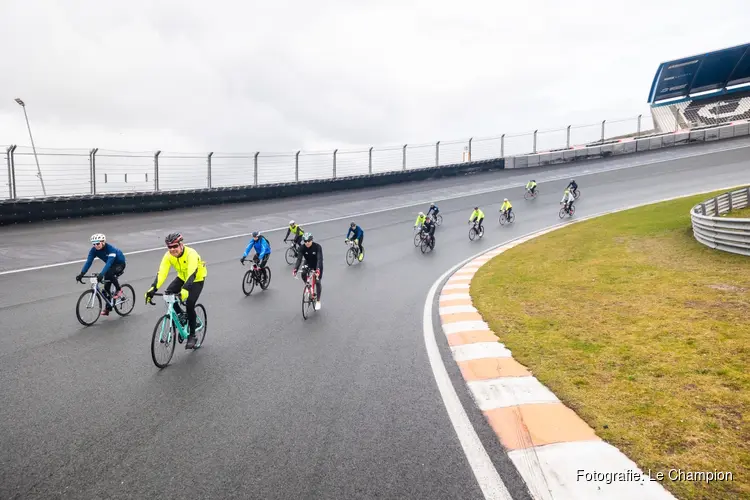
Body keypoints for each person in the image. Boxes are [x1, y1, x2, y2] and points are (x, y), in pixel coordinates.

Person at [145, 233, 207, 349]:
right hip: (182, 277)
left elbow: (192, 272)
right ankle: (181, 314)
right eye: (170, 247)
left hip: (196, 278)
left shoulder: (191, 254)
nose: (172, 249)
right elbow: (162, 273)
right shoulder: (168, 256)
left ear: (181, 245)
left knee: (189, 304)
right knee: (168, 294)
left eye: (175, 246)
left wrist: (185, 289)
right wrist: (153, 288)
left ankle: (192, 335)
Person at [76, 233, 127, 316]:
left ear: (103, 242)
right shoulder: (93, 250)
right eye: (94, 244)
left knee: (109, 273)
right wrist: (82, 273)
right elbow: (88, 262)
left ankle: (119, 289)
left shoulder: (111, 249)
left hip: (119, 264)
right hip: (110, 266)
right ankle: (108, 308)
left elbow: (109, 263)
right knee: (106, 289)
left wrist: (101, 274)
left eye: (98, 243)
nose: (96, 245)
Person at [293, 232, 323, 310]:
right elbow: (299, 259)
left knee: (317, 282)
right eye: (305, 241)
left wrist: (318, 270)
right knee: (303, 273)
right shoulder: (302, 248)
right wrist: (295, 269)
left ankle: (318, 301)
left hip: (317, 264)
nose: (307, 243)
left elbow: (320, 259)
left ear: (311, 240)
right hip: (308, 262)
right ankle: (308, 286)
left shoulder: (317, 247)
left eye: (308, 241)